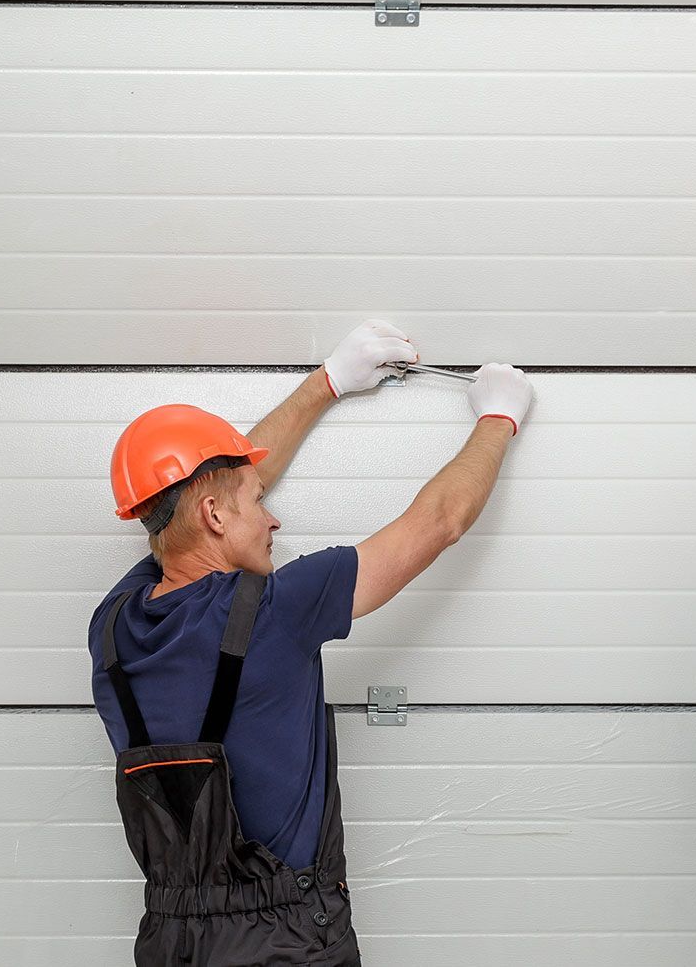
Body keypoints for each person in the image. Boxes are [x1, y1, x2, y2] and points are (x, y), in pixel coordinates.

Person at [89, 321, 534, 966]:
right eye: (256, 502)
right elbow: (440, 521)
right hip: (283, 941)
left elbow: (194, 498)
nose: (273, 517)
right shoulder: (277, 610)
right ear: (215, 515)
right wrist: (499, 417)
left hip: (170, 940)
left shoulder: (114, 624)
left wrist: (326, 384)